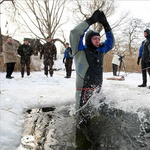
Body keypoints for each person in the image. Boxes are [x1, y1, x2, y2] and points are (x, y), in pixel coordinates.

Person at [70, 10, 115, 120]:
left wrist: (106, 24)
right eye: (94, 38)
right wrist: (90, 21)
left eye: (99, 39)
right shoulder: (79, 50)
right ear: (88, 40)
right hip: (83, 93)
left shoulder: (101, 50)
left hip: (97, 91)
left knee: (97, 119)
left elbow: (111, 42)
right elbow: (75, 32)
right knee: (81, 120)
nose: (98, 41)